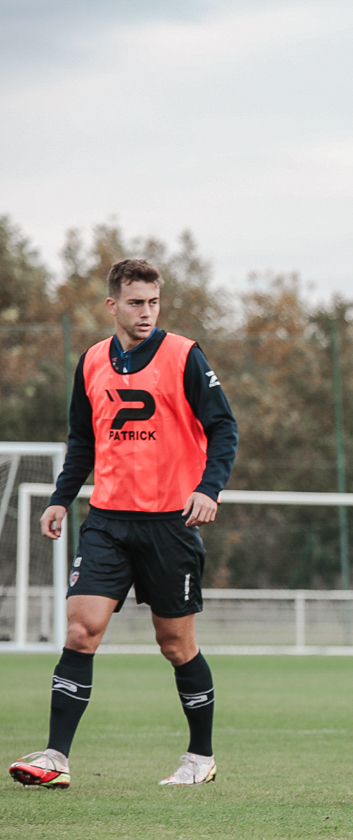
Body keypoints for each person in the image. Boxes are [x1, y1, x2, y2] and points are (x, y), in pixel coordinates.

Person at [9, 259, 238, 789]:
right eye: (136, 303)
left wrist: (209, 488)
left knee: (175, 644)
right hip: (107, 521)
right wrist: (60, 499)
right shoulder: (91, 361)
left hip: (170, 524)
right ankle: (55, 757)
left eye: (153, 302)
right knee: (80, 630)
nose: (146, 312)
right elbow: (82, 439)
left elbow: (224, 427)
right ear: (112, 305)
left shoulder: (184, 355)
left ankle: (200, 756)